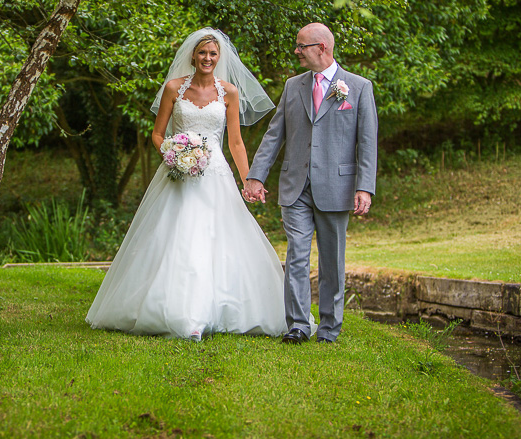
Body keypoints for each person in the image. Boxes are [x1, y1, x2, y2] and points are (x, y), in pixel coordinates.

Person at [86, 28, 292, 340]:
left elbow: (235, 142)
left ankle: (216, 311)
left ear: (219, 57)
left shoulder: (229, 92)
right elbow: (158, 134)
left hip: (215, 175)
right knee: (174, 237)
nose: (207, 58)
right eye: (202, 53)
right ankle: (174, 311)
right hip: (177, 174)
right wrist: (174, 155)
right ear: (193, 56)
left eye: (213, 54)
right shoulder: (173, 88)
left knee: (216, 237)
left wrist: (249, 179)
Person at [243, 23, 377, 345]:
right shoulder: (293, 86)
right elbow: (275, 134)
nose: (296, 51)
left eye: (301, 46)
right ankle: (299, 326)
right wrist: (256, 175)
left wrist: (364, 187)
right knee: (297, 256)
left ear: (322, 48)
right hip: (295, 186)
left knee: (332, 262)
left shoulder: (358, 87)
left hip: (336, 187)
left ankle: (329, 329)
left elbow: (367, 141)